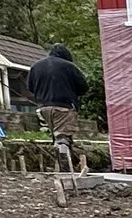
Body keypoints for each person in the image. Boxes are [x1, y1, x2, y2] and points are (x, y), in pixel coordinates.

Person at [22, 44, 89, 173]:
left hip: (44, 107)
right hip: (64, 106)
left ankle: (63, 166)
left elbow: (30, 87)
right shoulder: (69, 66)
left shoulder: (36, 66)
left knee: (56, 136)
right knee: (63, 138)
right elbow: (83, 87)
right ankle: (66, 170)